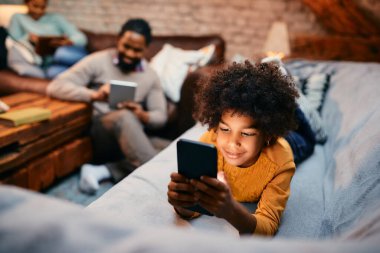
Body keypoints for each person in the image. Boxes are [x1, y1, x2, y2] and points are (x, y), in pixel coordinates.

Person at [167, 61, 301, 236]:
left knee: (306, 137)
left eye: (246, 133)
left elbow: (267, 226)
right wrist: (182, 204)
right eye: (225, 129)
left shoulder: (281, 163)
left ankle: (302, 104)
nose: (232, 143)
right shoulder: (210, 142)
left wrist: (230, 211)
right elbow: (195, 207)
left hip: (295, 144)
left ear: (267, 134)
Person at [47, 18, 168, 194]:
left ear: (146, 49)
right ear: (118, 40)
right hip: (101, 131)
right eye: (126, 46)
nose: (129, 53)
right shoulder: (98, 60)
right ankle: (159, 182)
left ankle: (103, 170)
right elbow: (55, 86)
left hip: (133, 134)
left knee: (174, 148)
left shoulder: (151, 75)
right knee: (124, 117)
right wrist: (94, 95)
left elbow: (161, 116)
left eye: (137, 50)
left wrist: (142, 115)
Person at [7, 0, 87, 79]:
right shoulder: (18, 18)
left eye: (43, 7)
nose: (39, 11)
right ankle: (86, 74)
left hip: (64, 52)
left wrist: (68, 41)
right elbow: (13, 41)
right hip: (48, 62)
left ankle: (90, 65)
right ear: (26, 3)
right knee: (52, 73)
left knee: (61, 53)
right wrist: (28, 38)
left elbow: (81, 38)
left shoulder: (56, 18)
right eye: (35, 6)